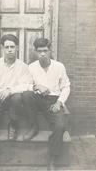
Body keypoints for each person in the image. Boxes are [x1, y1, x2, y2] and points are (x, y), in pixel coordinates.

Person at [0, 34, 33, 171]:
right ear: (2, 48)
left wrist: (10, 89)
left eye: (12, 47)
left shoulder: (23, 66)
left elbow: (28, 85)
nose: (10, 50)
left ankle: (13, 123)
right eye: (7, 47)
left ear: (17, 48)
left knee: (17, 97)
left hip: (14, 98)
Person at [23, 38, 71, 168]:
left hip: (53, 101)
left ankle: (53, 158)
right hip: (38, 99)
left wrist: (59, 103)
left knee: (60, 126)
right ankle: (34, 126)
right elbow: (25, 85)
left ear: (50, 51)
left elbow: (66, 87)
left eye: (45, 51)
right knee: (27, 95)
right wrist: (36, 86)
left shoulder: (59, 66)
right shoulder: (32, 67)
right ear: (35, 52)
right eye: (39, 51)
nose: (42, 54)